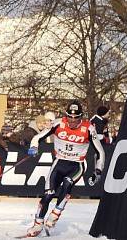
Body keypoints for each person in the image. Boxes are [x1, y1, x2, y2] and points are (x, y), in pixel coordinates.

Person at [25, 100, 105, 237]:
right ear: (66, 115)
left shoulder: (89, 128)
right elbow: (37, 137)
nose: (73, 121)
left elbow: (100, 152)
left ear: (81, 117)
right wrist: (34, 147)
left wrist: (98, 170)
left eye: (76, 118)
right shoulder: (57, 123)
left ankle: (55, 215)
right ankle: (38, 223)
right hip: (59, 162)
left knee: (68, 183)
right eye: (70, 117)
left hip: (77, 165)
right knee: (48, 194)